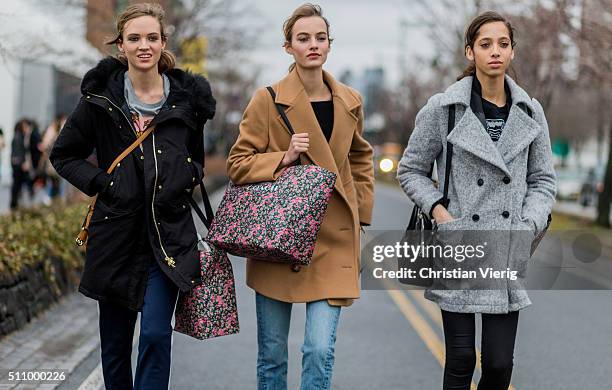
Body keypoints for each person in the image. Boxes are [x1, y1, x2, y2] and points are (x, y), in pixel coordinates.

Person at [49, 3, 215, 389]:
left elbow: (196, 161)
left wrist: (182, 177)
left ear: (163, 43)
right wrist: (104, 183)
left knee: (156, 335)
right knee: (116, 345)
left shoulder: (188, 102)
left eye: (152, 38)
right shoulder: (98, 101)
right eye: (135, 38)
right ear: (120, 45)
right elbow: (64, 155)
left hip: (168, 236)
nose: (145, 46)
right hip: (115, 237)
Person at [397, 11, 556, 390]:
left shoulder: (531, 112)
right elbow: (410, 169)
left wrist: (527, 225)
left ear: (513, 52)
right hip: (459, 246)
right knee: (462, 359)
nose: (495, 52)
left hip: (506, 247)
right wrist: (440, 212)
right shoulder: (443, 109)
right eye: (485, 44)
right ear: (470, 51)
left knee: (499, 365)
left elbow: (544, 180)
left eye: (503, 44)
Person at [226, 4, 375, 389]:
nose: (313, 45)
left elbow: (361, 158)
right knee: (273, 355)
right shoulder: (268, 99)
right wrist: (284, 156)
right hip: (280, 240)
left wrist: (361, 217)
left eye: (320, 38)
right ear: (288, 47)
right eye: (303, 38)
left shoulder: (350, 101)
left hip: (334, 241)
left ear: (329, 45)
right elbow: (238, 164)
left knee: (319, 350)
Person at [39, 114, 67, 201]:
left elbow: (45, 145)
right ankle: (53, 199)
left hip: (54, 160)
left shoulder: (53, 130)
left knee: (55, 181)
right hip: (55, 160)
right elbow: (46, 145)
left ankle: (53, 199)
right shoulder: (54, 130)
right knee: (55, 181)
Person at [9, 119, 34, 209]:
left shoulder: (20, 137)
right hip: (18, 166)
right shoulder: (18, 138)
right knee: (17, 185)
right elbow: (17, 153)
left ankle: (15, 204)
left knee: (17, 185)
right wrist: (22, 163)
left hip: (18, 165)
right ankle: (14, 204)